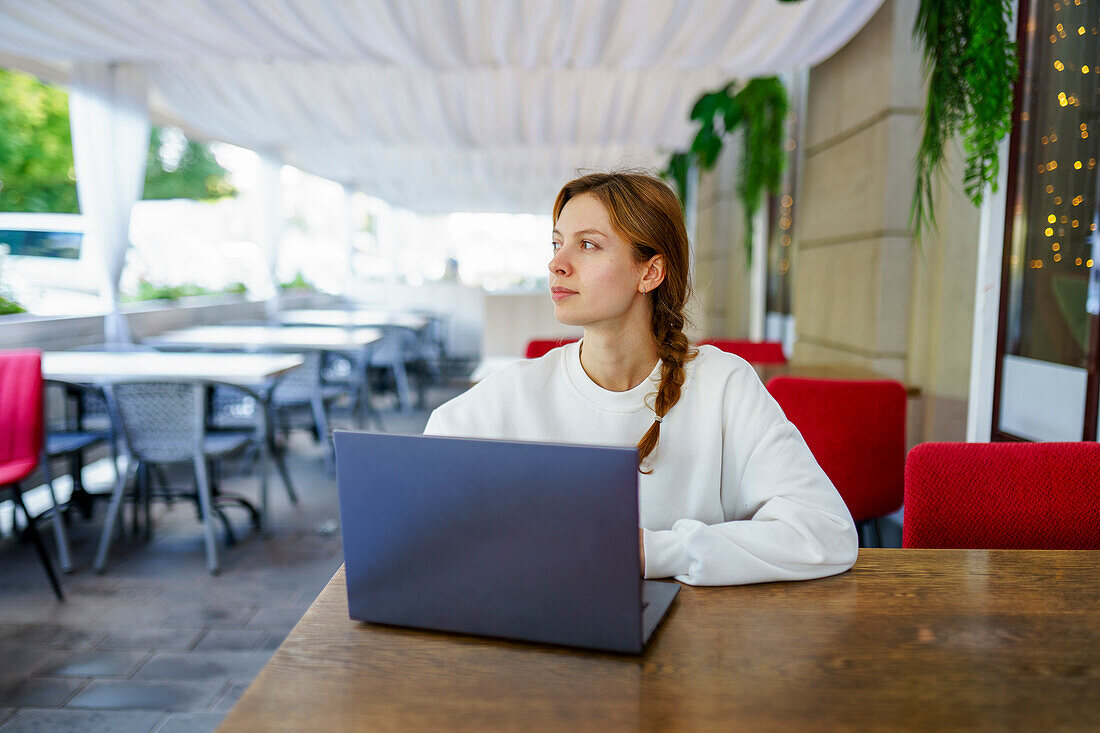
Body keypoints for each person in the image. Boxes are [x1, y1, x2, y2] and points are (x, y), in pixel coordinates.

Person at [424, 172, 858, 586]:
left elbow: (827, 532)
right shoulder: (515, 391)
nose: (557, 263)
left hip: (695, 648)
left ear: (650, 272)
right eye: (557, 244)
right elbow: (420, 489)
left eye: (588, 245)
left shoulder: (724, 386)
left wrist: (653, 552)